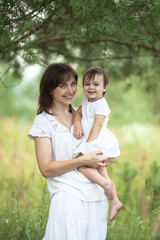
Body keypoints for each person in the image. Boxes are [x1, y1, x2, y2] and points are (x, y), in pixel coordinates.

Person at [28, 63, 117, 240]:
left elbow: (109, 152)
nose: (71, 90)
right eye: (62, 85)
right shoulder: (43, 122)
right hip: (67, 196)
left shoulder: (85, 113)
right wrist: (82, 161)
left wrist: (103, 159)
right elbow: (46, 169)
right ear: (49, 89)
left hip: (96, 197)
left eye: (73, 84)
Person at [73, 66, 123, 221]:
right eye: (87, 84)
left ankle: (106, 185)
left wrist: (86, 146)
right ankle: (114, 199)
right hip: (91, 139)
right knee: (98, 166)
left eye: (96, 84)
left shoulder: (101, 105)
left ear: (105, 87)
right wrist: (77, 124)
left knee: (80, 165)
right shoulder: (86, 100)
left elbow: (97, 126)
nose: (91, 88)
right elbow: (78, 113)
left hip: (97, 140)